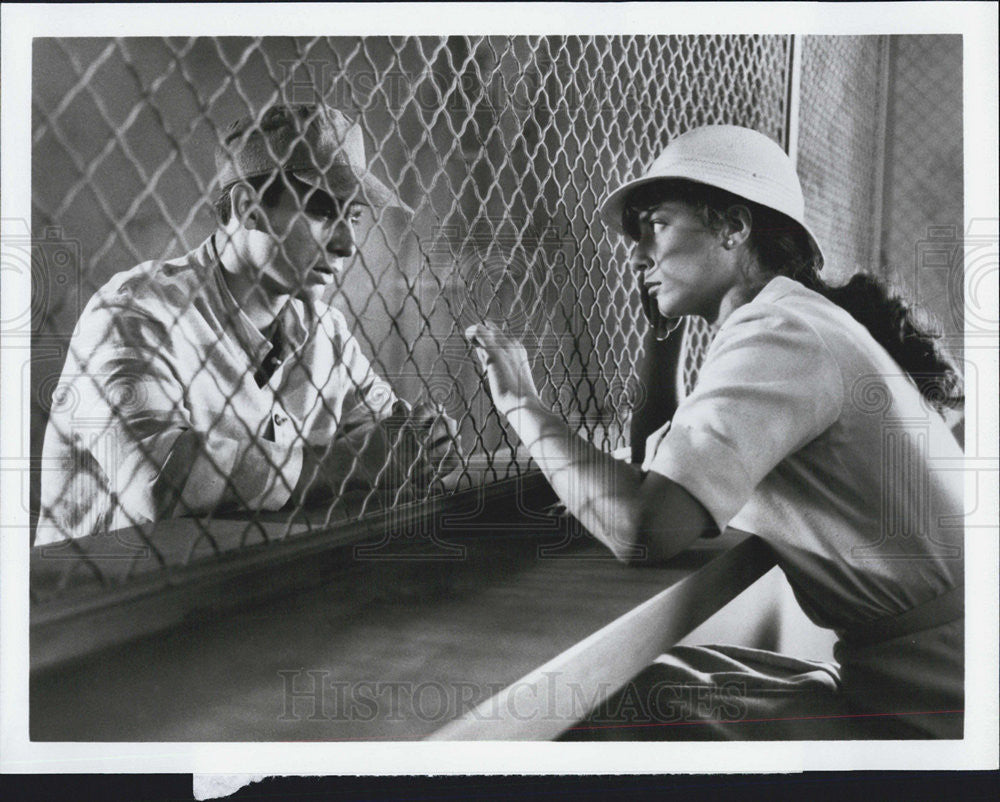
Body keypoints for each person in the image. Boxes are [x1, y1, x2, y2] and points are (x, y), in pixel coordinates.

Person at [466, 125, 964, 739]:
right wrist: (660, 340)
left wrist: (521, 403)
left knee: (620, 706)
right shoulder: (791, 320)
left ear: (733, 226)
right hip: (922, 677)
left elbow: (644, 528)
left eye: (655, 224)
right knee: (658, 682)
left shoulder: (780, 334)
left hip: (941, 709)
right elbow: (664, 470)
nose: (636, 254)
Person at [36, 104, 459, 545]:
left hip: (251, 586)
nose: (346, 244)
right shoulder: (136, 312)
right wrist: (347, 464)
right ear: (249, 206)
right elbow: (156, 483)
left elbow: (386, 436)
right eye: (323, 213)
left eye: (353, 217)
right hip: (106, 599)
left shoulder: (325, 330)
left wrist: (425, 440)